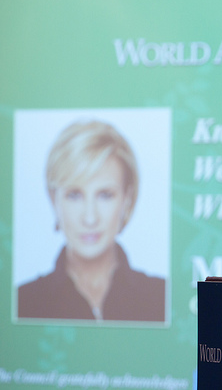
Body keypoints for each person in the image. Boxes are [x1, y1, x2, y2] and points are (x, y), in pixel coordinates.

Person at [18, 120, 165, 323]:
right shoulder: (23, 301)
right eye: (74, 195)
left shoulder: (161, 297)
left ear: (127, 198)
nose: (89, 218)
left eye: (105, 195)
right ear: (54, 199)